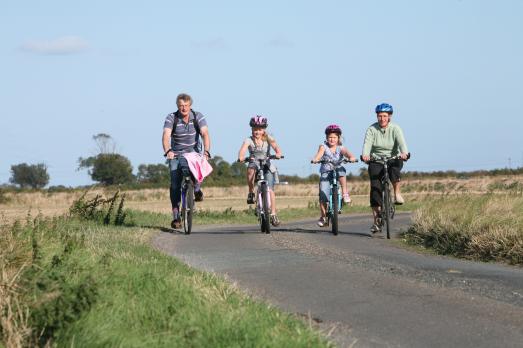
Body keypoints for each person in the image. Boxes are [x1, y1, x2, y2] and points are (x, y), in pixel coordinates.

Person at [162, 93, 211, 229]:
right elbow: (166, 135)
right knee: (175, 185)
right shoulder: (171, 118)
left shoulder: (198, 116)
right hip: (176, 154)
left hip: (193, 153)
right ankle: (176, 216)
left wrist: (206, 151)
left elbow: (205, 134)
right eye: (181, 106)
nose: (183, 108)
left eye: (186, 106)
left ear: (190, 105)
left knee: (200, 170)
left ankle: (196, 189)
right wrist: (168, 151)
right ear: (177, 106)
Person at [361, 103, 409, 233]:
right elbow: (367, 144)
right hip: (376, 159)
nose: (382, 119)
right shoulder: (372, 129)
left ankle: (397, 194)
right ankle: (376, 222)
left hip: (393, 157)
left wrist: (404, 153)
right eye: (379, 116)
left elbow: (402, 143)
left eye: (384, 116)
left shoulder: (395, 129)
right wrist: (365, 155)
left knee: (394, 170)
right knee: (375, 188)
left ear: (389, 117)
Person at [237, 115, 283, 227]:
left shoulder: (269, 138)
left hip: (267, 163)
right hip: (254, 162)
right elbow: (242, 151)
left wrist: (278, 154)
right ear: (252, 129)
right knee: (250, 170)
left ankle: (273, 214)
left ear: (264, 129)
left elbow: (277, 148)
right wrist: (241, 157)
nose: (257, 131)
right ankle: (251, 192)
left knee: (271, 190)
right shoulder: (249, 140)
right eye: (255, 129)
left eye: (260, 129)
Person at [311, 124, 356, 227]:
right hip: (326, 173)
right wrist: (316, 159)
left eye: (334, 137)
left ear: (338, 138)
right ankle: (323, 216)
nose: (332, 139)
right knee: (323, 195)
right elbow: (319, 154)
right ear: (326, 138)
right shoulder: (323, 146)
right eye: (330, 137)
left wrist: (351, 157)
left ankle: (345, 193)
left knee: (341, 170)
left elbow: (347, 153)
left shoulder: (341, 148)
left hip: (337, 170)